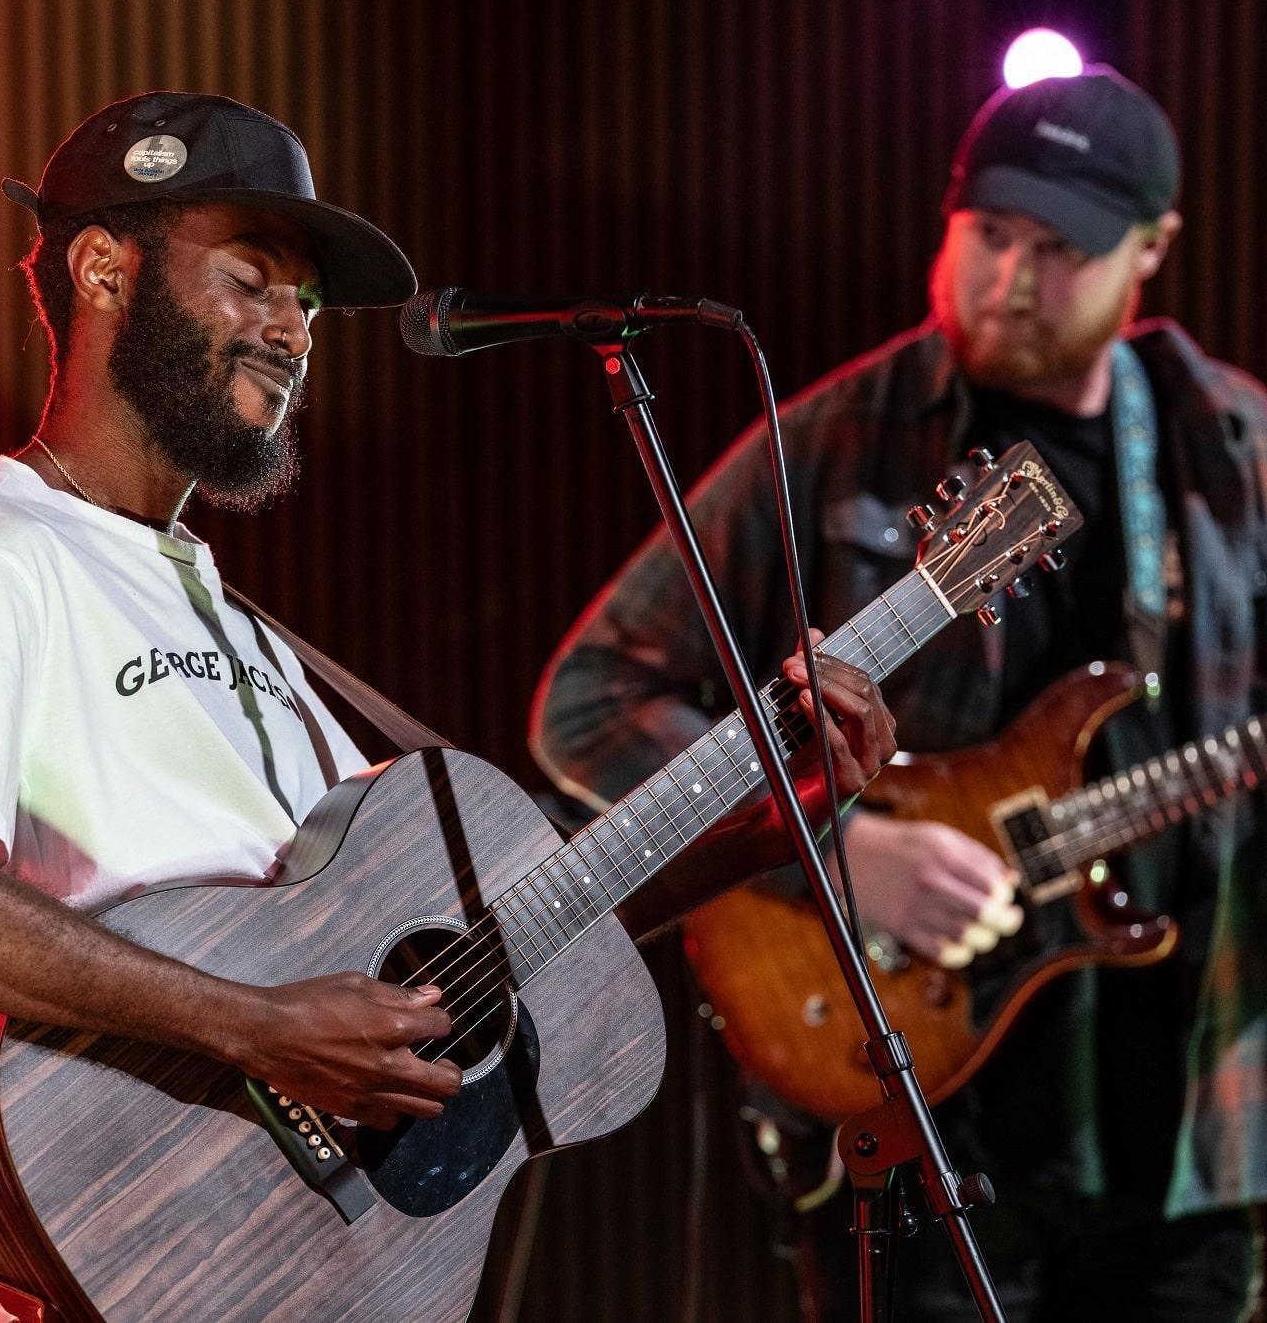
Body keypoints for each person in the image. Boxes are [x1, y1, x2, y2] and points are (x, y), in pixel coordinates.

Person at [0, 90, 895, 1319]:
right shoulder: (4, 551)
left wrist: (781, 811)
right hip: (141, 1238)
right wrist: (253, 1024)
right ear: (103, 269)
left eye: (307, 304)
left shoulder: (213, 603)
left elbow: (483, 963)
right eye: (252, 279)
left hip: (284, 1262)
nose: (293, 328)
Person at [532, 67, 1267, 1321]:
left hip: (1183, 1123)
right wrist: (837, 851)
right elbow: (593, 696)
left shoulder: (1232, 448)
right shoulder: (832, 441)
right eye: (987, 232)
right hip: (918, 1118)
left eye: (1057, 249)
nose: (1006, 278)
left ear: (1152, 250)